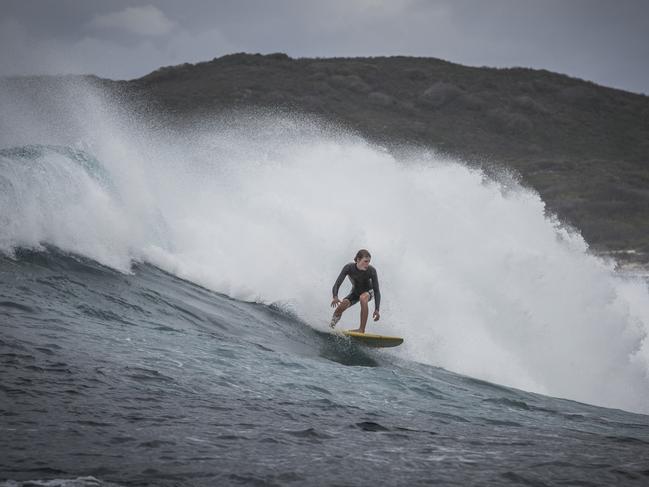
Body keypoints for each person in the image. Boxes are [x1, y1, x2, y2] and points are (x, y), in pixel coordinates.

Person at [330, 249, 381, 333]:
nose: (367, 264)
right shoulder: (348, 268)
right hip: (356, 292)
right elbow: (337, 284)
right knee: (342, 306)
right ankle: (331, 326)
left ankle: (361, 329)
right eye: (365, 261)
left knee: (363, 298)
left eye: (369, 262)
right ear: (358, 259)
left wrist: (377, 309)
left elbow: (377, 291)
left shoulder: (371, 271)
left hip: (369, 292)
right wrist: (335, 296)